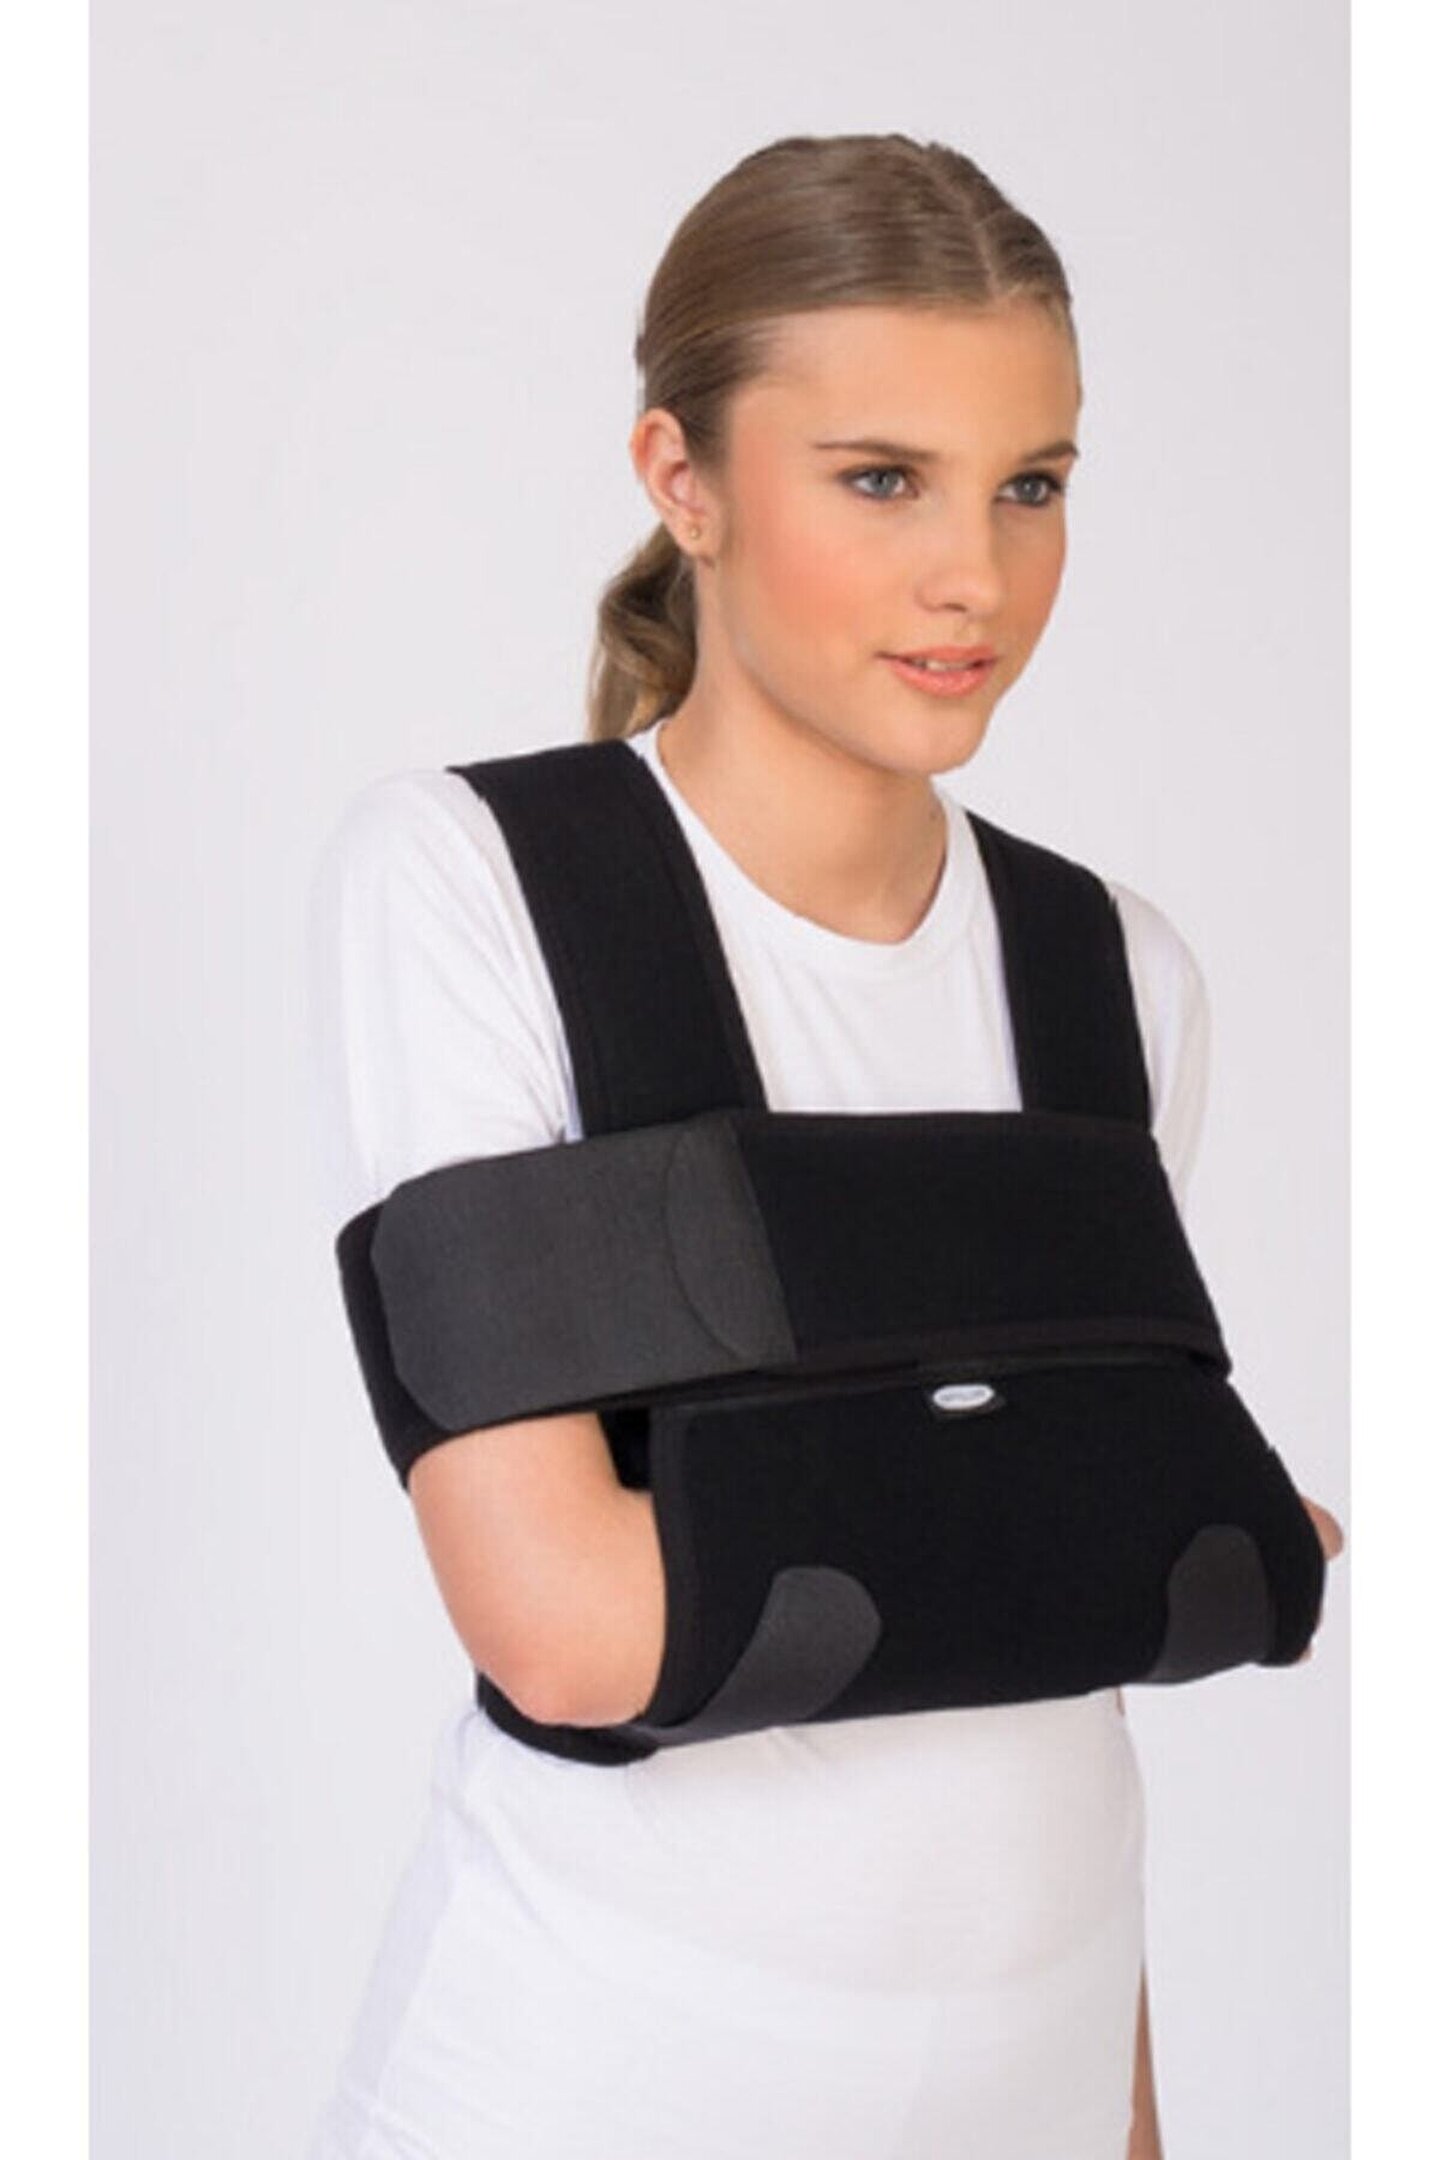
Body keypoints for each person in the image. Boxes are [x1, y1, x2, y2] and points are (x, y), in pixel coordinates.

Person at [304, 132, 1343, 2160]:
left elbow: (1047, 1717)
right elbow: (569, 1631)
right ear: (679, 478)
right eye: (882, 480)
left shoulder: (1114, 977)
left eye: (1030, 484)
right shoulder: (487, 884)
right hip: (582, 2096)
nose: (977, 575)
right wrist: (1167, 1545)